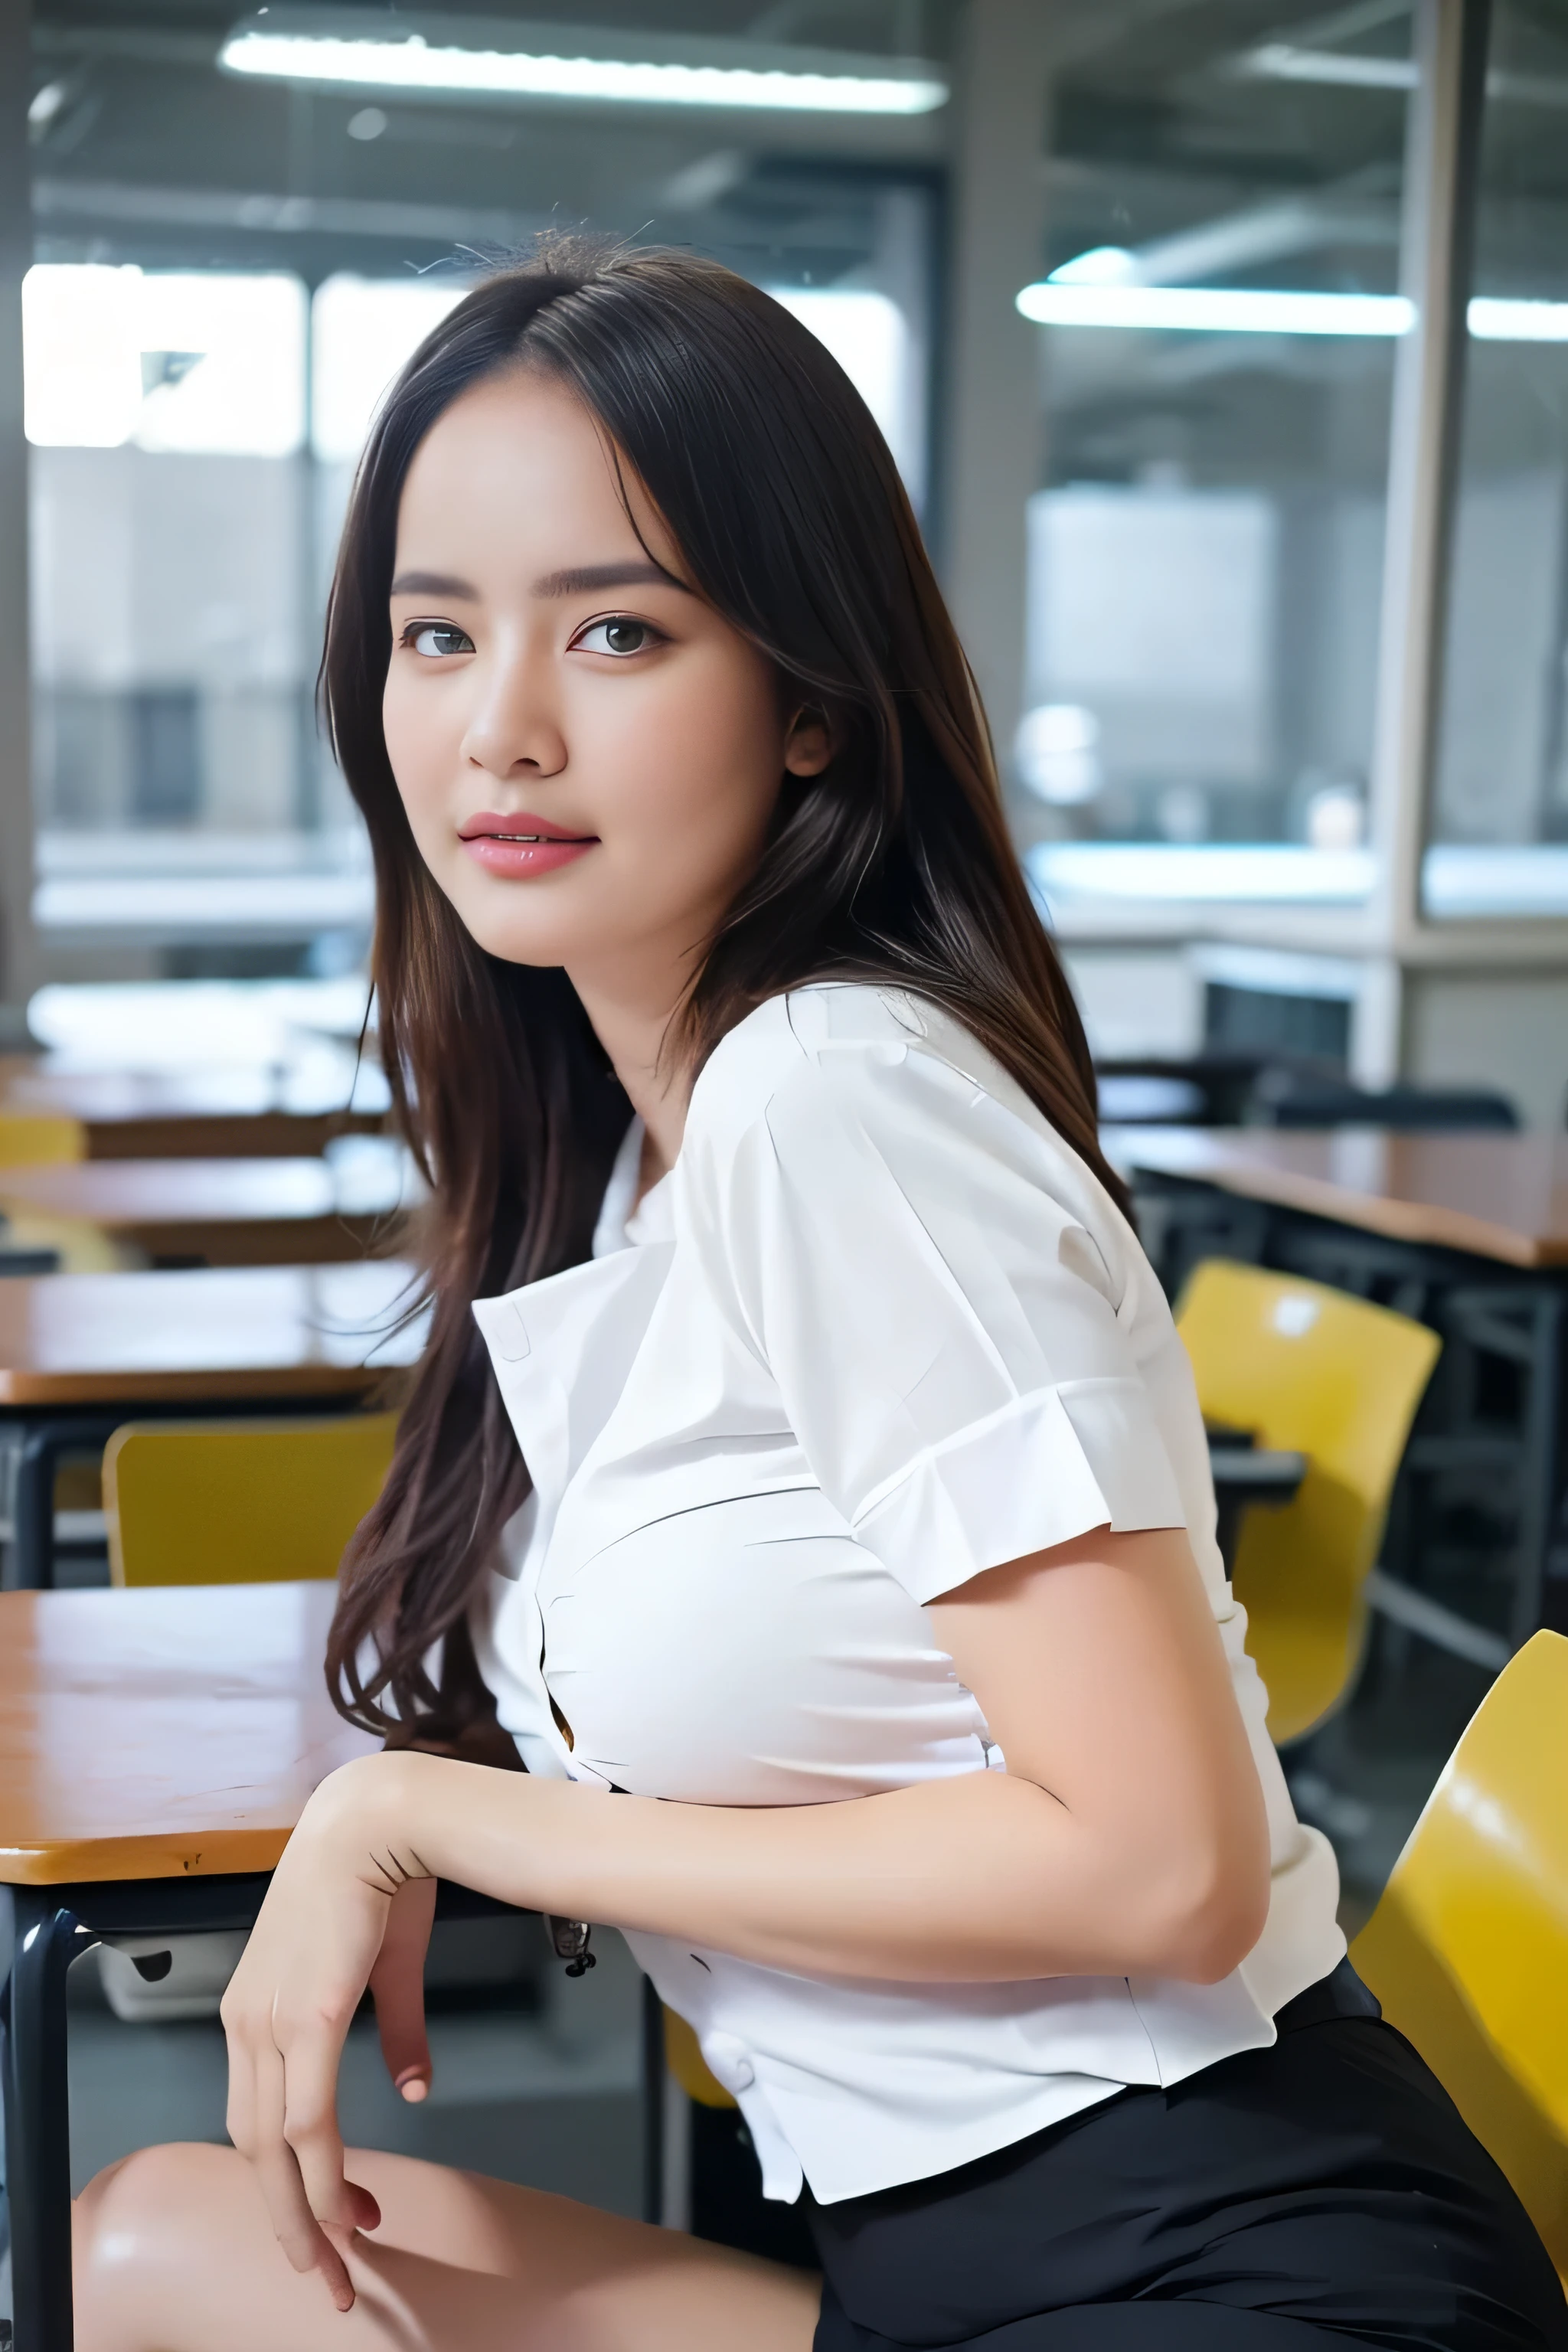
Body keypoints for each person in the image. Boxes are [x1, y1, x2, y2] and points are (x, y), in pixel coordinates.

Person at [73, 240, 1566, 2352]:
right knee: (151, 2243)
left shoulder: (832, 1101)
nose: (499, 727)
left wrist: (404, 1809)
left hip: (1227, 2267)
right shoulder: (627, 1146)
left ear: (806, 705)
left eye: (616, 628)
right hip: (923, 2277)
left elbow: (1164, 1871)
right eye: (434, 633)